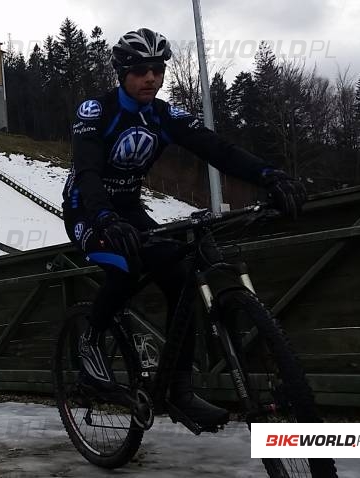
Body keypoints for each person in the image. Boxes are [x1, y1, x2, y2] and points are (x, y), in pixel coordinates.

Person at [61, 28, 307, 429]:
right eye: (140, 70)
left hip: (128, 209)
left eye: (157, 70)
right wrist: (103, 216)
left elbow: (218, 150)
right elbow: (87, 170)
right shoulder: (96, 111)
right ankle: (90, 342)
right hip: (87, 209)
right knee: (126, 264)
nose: (151, 79)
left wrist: (270, 176)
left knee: (180, 276)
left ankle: (179, 390)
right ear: (122, 72)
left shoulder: (163, 115)